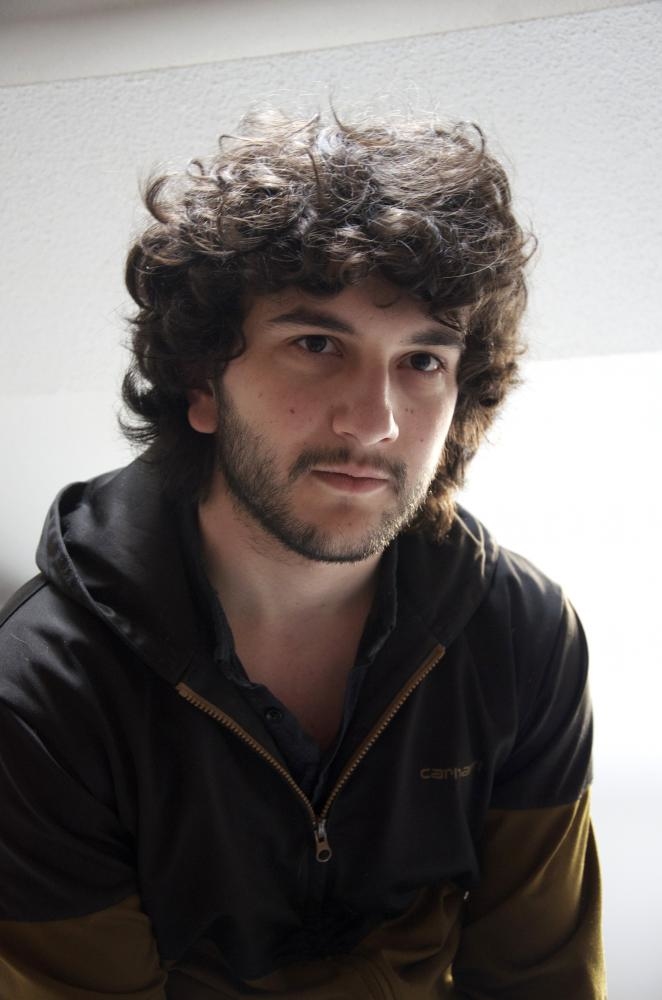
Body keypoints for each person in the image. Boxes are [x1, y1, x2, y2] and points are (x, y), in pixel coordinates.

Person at [0, 110, 605, 998]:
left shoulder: (520, 634)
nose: (376, 422)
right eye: (316, 345)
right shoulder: (41, 695)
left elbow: (541, 980)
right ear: (203, 383)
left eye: (422, 362)